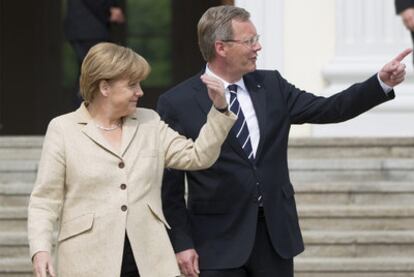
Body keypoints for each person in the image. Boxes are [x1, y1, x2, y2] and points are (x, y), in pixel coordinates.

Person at [157, 5, 411, 277]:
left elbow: (329, 109)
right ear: (221, 47)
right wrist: (181, 243)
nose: (258, 47)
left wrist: (380, 83)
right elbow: (169, 188)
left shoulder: (271, 85)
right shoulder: (176, 102)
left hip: (275, 238)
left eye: (257, 38)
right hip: (215, 243)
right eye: (250, 41)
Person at [27, 42, 236, 277]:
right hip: (85, 261)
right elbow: (45, 200)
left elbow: (198, 156)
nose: (140, 92)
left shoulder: (150, 122)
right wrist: (41, 250)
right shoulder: (63, 129)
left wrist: (219, 110)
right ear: (104, 87)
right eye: (132, 85)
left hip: (149, 260)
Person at [64, 0, 125, 107]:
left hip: (86, 28)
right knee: (94, 76)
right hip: (90, 28)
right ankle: (84, 115)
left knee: (89, 75)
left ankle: (84, 114)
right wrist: (109, 9)